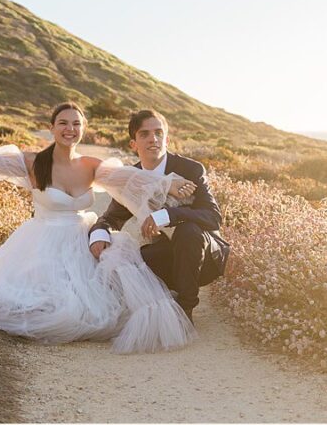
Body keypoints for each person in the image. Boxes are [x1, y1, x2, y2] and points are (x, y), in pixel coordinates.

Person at [0, 102, 199, 353]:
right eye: (63, 123)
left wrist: (168, 183)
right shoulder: (33, 162)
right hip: (42, 239)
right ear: (52, 128)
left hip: (79, 236)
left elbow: (128, 177)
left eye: (76, 124)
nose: (69, 129)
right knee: (45, 304)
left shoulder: (91, 165)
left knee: (105, 301)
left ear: (82, 129)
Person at [88, 109, 228, 323]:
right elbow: (110, 218)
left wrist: (166, 215)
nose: (153, 139)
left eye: (158, 133)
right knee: (126, 259)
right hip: (165, 255)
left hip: (203, 255)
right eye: (144, 134)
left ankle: (186, 308)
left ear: (167, 138)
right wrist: (99, 235)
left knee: (188, 230)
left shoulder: (190, 169)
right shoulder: (131, 178)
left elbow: (212, 217)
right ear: (133, 144)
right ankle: (162, 299)